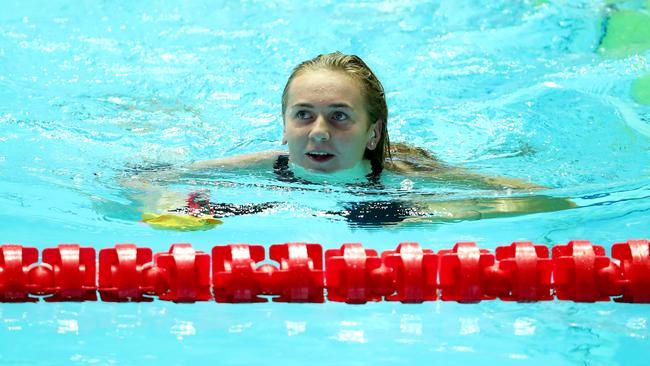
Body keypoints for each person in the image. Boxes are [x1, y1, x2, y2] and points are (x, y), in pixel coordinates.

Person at [132, 52, 574, 230]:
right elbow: (142, 178)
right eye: (303, 116)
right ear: (285, 126)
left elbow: (531, 196)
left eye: (339, 117)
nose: (319, 132)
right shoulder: (267, 165)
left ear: (373, 132)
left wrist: (439, 213)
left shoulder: (407, 177)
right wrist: (164, 201)